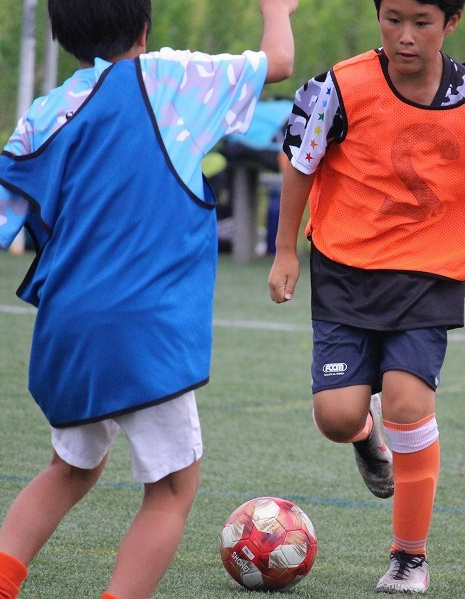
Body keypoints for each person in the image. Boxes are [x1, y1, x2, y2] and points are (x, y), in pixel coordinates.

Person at [0, 0, 297, 597]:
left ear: (61, 36)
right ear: (143, 27)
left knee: (69, 469)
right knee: (171, 490)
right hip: (145, 327)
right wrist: (276, 9)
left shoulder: (42, 114)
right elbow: (280, 62)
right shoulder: (170, 79)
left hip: (68, 325)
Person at [268, 0, 465, 593]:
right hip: (347, 268)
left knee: (407, 405)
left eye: (422, 22)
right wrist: (285, 249)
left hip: (430, 271)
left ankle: (409, 557)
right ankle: (365, 440)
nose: (406, 36)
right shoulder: (339, 88)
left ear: (451, 23)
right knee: (337, 417)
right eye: (393, 19)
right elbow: (300, 161)